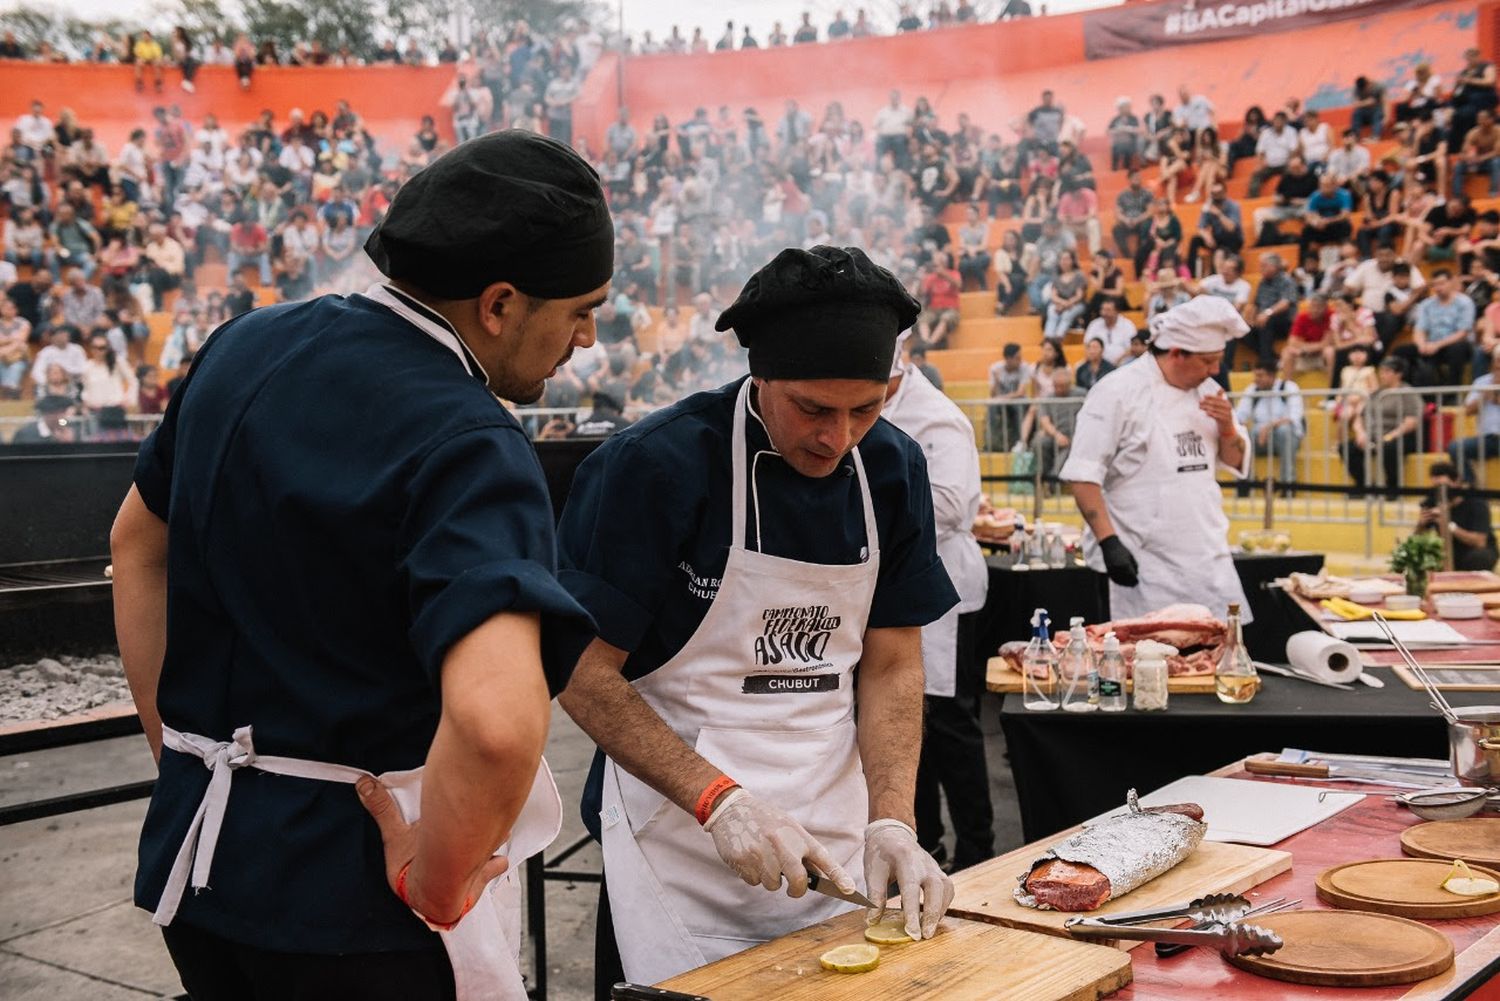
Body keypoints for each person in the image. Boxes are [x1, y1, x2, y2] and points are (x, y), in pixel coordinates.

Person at [109, 132, 612, 999]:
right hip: (354, 907)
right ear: (498, 304)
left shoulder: (243, 346)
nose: (589, 336)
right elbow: (497, 724)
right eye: (579, 308)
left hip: (198, 866)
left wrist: (178, 748)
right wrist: (441, 882)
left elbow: (134, 543)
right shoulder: (474, 443)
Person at [556, 245, 957, 992]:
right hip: (678, 838)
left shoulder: (895, 470)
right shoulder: (656, 467)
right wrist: (721, 800)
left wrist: (894, 816)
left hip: (834, 833)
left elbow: (893, 660)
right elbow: (579, 672)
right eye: (813, 408)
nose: (837, 438)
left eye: (865, 409)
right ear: (759, 374)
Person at [1061, 296, 1254, 622]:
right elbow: (1083, 476)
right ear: (1178, 353)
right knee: (1148, 661)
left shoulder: (1209, 391)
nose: (1216, 370)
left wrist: (1226, 427)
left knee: (1220, 659)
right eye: (1208, 361)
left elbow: (1235, 460)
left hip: (1206, 558)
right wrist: (1109, 542)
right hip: (1143, 565)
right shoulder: (1117, 392)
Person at [881, 335, 993, 873]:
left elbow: (953, 505)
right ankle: (924, 846)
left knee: (950, 729)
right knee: (902, 724)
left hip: (942, 590)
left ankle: (978, 850)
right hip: (890, 586)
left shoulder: (936, 418)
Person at [1343, 357, 1423, 499]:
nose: (1382, 375)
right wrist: (1361, 433)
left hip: (1400, 435)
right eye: (1381, 372)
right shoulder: (1376, 393)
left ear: (1398, 374)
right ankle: (1365, 485)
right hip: (1374, 435)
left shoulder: (1407, 392)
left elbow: (1412, 421)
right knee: (1346, 448)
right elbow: (1360, 417)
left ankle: (1393, 488)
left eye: (1387, 372)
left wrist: (1391, 436)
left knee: (1389, 447)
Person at [1235, 363, 1304, 491]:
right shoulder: (1252, 389)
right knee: (1243, 436)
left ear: (1272, 376)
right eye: (1255, 375)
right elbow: (1240, 416)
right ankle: (1245, 482)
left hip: (1285, 436)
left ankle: (1288, 484)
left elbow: (1294, 417)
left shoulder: (1289, 387)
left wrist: (1268, 427)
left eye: (1260, 376)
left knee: (1285, 431)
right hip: (1260, 437)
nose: (1256, 379)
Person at [1418, 462, 1498, 570]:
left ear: (1457, 482)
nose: (1440, 491)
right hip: (1446, 550)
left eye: (1444, 486)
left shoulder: (1477, 503)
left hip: (1472, 551)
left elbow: (1480, 542)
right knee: (1413, 556)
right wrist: (1421, 525)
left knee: (1479, 558)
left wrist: (1449, 526)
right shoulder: (1431, 501)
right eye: (1436, 487)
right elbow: (1417, 539)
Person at [1450, 349, 1500, 483]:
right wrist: (1484, 396)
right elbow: (1468, 411)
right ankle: (1471, 488)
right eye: (1498, 360)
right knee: (1456, 448)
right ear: (1493, 362)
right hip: (1488, 439)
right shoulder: (1482, 382)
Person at [987, 342, 1033, 450]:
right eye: (1017, 358)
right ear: (1008, 359)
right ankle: (993, 442)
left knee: (1019, 407)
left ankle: (1020, 442)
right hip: (1002, 402)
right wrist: (997, 381)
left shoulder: (1024, 367)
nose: (1020, 360)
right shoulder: (995, 368)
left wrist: (1002, 398)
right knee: (992, 408)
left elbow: (1021, 392)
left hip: (1018, 401)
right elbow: (993, 395)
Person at [1084, 297, 1134, 366]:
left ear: (1117, 311)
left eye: (1108, 310)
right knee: (1079, 366)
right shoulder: (1094, 324)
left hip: (1121, 363)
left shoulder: (1127, 325)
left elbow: (1131, 348)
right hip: (1098, 363)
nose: (1104, 313)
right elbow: (1087, 344)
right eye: (1103, 310)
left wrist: (1117, 361)